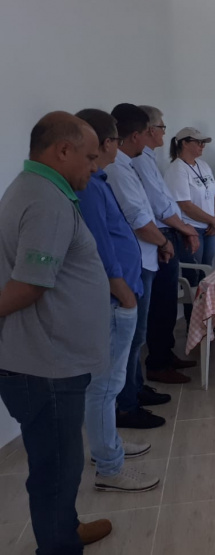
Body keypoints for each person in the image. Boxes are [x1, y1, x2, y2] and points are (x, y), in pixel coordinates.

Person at [0, 112, 111, 553]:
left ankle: (66, 527)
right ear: (61, 151)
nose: (94, 166)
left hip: (48, 362)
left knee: (60, 466)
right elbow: (27, 285)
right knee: (56, 470)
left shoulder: (39, 189)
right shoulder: (46, 200)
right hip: (44, 367)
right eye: (88, 157)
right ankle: (59, 545)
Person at [74, 109, 160, 494]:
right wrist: (123, 292)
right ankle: (109, 466)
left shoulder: (100, 180)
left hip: (120, 293)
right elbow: (100, 246)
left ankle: (109, 446)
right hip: (114, 296)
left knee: (110, 382)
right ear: (108, 143)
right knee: (106, 384)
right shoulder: (90, 186)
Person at [106, 103, 174, 429]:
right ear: (135, 135)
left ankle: (135, 389)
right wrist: (164, 241)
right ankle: (126, 405)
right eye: (153, 130)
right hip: (133, 263)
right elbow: (139, 219)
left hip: (144, 257)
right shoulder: (118, 169)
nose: (155, 135)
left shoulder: (129, 164)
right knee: (132, 337)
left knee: (138, 334)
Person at [133, 106, 199, 385]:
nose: (163, 132)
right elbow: (160, 205)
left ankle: (165, 354)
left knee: (166, 302)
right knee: (160, 305)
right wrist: (187, 229)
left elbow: (163, 201)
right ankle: (157, 363)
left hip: (165, 235)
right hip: (157, 239)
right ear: (149, 130)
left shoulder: (147, 158)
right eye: (161, 127)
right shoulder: (137, 161)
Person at [165, 127, 215, 323]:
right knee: (193, 278)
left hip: (208, 228)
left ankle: (207, 319)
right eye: (198, 142)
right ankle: (194, 323)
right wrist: (212, 220)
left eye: (203, 142)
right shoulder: (177, 169)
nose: (202, 146)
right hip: (191, 229)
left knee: (207, 275)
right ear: (184, 143)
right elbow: (185, 205)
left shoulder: (203, 166)